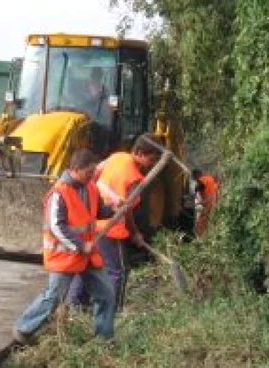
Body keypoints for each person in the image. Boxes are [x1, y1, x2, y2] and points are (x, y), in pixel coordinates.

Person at [13, 148, 117, 343]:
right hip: (66, 256)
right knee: (53, 297)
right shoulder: (58, 193)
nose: (92, 176)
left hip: (87, 255)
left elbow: (97, 212)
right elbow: (55, 226)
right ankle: (23, 329)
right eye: (89, 172)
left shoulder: (90, 187)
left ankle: (104, 339)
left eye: (93, 172)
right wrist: (79, 245)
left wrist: (113, 208)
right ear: (76, 169)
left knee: (106, 294)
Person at [68, 134, 161, 312]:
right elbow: (128, 212)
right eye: (152, 158)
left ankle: (73, 305)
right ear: (140, 153)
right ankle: (111, 310)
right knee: (118, 271)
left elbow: (94, 176)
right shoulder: (134, 178)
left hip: (93, 224)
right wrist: (135, 233)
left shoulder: (116, 156)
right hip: (112, 230)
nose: (153, 163)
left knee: (87, 264)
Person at [192, 169, 219, 236]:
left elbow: (197, 189)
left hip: (209, 202)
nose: (194, 180)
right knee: (212, 221)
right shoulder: (210, 178)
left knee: (200, 223)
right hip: (215, 201)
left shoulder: (201, 180)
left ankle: (199, 238)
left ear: (197, 175)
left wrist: (195, 197)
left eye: (194, 177)